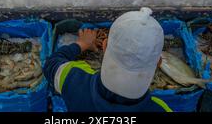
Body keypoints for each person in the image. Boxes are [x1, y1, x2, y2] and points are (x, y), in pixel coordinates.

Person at [43, 7, 173, 112]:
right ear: (158, 62)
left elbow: (51, 64)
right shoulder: (160, 108)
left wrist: (81, 44)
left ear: (104, 46)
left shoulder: (74, 81)